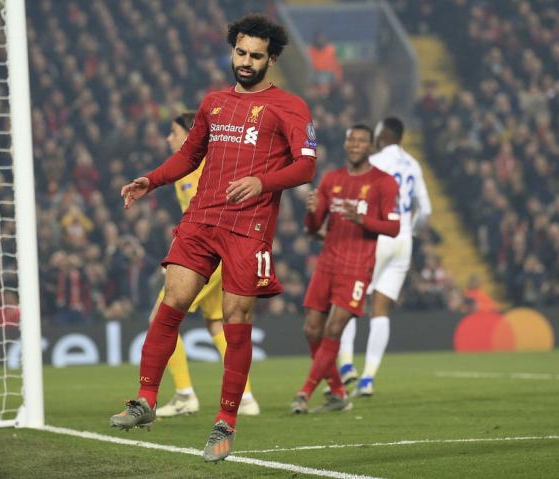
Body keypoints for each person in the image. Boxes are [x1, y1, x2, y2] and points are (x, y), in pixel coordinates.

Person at [111, 14, 317, 462]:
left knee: (234, 319)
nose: (245, 61)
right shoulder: (214, 103)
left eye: (255, 56)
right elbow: (189, 154)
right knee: (171, 303)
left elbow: (306, 166)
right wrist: (152, 180)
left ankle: (226, 421)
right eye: (240, 52)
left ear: (271, 59)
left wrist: (262, 182)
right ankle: (146, 398)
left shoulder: (289, 106)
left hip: (248, 227)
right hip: (201, 220)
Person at [150, 111, 260, 418]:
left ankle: (184, 394)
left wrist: (179, 257)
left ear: (190, 134)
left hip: (208, 253)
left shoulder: (200, 167)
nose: (168, 139)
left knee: (161, 318)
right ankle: (246, 398)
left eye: (173, 132)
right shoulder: (198, 166)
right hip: (220, 252)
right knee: (216, 324)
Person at [291, 124, 399, 414]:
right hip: (327, 263)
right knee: (311, 329)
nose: (355, 144)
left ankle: (305, 392)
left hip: (357, 268)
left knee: (334, 328)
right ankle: (338, 393)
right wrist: (312, 212)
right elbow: (312, 228)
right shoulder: (332, 179)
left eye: (361, 141)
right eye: (351, 140)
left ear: (371, 147)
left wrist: (364, 221)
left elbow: (393, 227)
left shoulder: (384, 182)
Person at [338, 117, 432, 396]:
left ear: (381, 136)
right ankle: (368, 378)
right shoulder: (413, 164)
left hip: (377, 236)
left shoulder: (375, 162)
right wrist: (410, 229)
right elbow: (425, 210)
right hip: (403, 239)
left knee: (350, 298)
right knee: (381, 309)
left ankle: (346, 365)